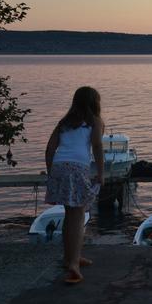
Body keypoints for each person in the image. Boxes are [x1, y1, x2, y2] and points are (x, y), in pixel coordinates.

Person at [45, 86, 105, 284]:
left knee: (70, 214)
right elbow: (96, 146)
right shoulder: (95, 122)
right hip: (77, 169)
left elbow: (50, 148)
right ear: (95, 102)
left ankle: (70, 257)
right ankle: (74, 265)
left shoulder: (64, 122)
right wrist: (101, 173)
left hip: (59, 167)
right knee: (78, 216)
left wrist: (52, 171)